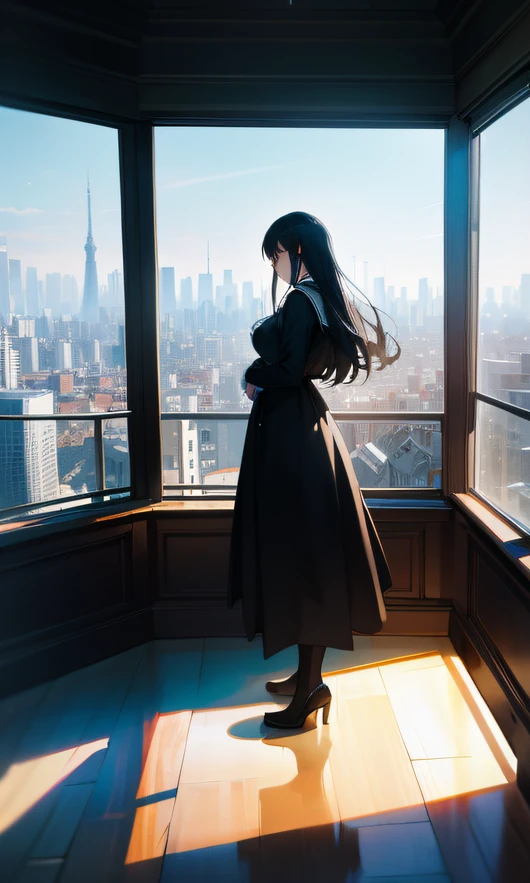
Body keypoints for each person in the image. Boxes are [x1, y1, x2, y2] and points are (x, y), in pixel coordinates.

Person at [227, 211, 401, 730]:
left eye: (276, 254)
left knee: (303, 559)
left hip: (291, 438)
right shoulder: (320, 298)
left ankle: (310, 687)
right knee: (306, 556)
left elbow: (286, 367)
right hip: (302, 429)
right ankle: (306, 677)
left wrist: (251, 374)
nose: (274, 265)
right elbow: (298, 366)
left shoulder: (302, 301)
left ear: (295, 249)